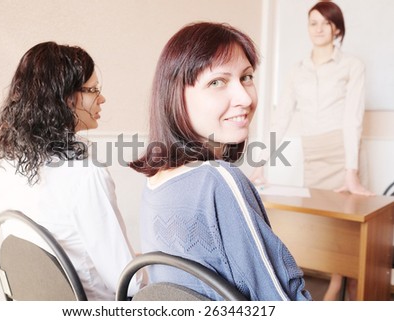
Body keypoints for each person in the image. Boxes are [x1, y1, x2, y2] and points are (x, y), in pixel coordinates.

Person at [130, 22, 312, 301]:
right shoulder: (217, 181)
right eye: (217, 82)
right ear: (175, 96)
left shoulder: (156, 180)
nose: (244, 97)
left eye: (247, 77)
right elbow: (278, 298)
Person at [0, 41, 142, 300]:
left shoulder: (8, 165)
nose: (101, 98)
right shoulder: (84, 174)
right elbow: (128, 282)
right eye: (93, 90)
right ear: (66, 99)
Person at [250, 2, 373, 300]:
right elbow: (281, 119)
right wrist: (261, 164)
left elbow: (352, 119)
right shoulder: (297, 70)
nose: (318, 29)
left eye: (325, 23)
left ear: (337, 29)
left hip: (343, 152)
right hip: (311, 151)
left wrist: (351, 172)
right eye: (312, 23)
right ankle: (327, 280)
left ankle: (340, 282)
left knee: (348, 220)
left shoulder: (352, 65)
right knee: (322, 220)